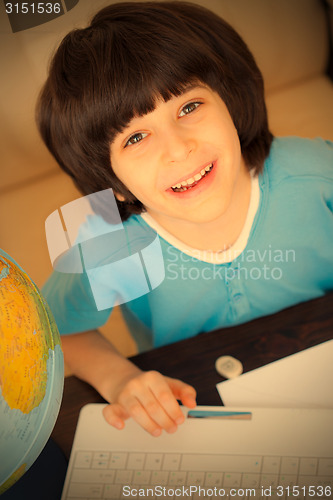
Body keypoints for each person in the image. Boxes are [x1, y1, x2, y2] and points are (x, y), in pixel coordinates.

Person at [37, 1, 333, 437]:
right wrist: (119, 378)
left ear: (230, 102)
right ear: (112, 180)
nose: (177, 149)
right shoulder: (106, 242)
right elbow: (53, 336)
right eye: (136, 137)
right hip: (198, 409)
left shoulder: (314, 173)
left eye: (189, 107)